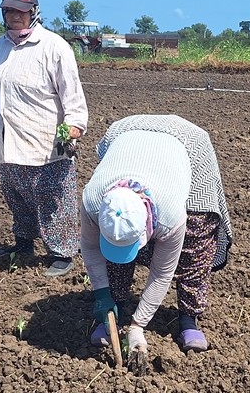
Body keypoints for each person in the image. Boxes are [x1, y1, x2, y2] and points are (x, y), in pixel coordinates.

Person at [0, 0, 88, 278]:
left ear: (34, 12)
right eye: (9, 10)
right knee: (17, 198)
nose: (15, 16)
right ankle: (23, 245)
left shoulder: (54, 47)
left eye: (21, 11)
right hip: (6, 142)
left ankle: (62, 252)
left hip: (45, 144)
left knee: (53, 200)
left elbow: (73, 97)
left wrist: (75, 126)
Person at [80, 115, 233, 368]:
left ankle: (188, 318)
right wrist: (102, 294)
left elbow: (163, 272)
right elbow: (90, 247)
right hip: (126, 134)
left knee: (194, 242)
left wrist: (138, 326)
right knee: (115, 253)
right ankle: (114, 309)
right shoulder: (94, 201)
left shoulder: (171, 214)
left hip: (187, 144)